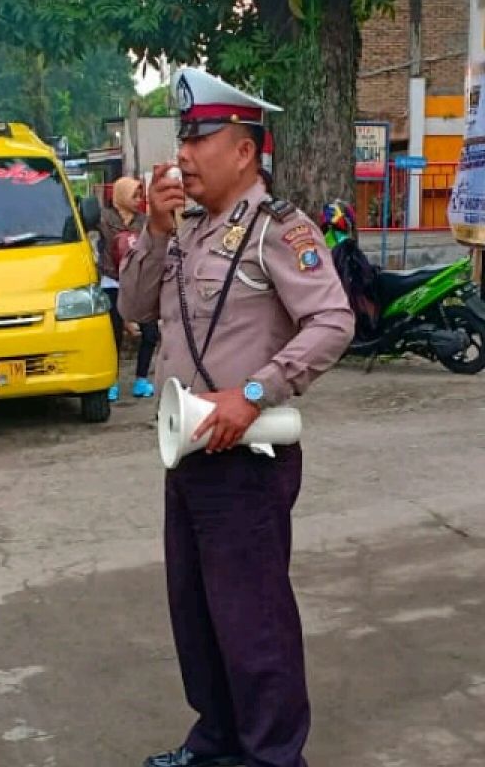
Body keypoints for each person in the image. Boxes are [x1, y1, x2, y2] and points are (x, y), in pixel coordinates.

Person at [118, 67, 354, 767]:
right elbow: (132, 310)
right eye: (182, 138)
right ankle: (217, 740)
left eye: (200, 138)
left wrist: (252, 394)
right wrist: (153, 231)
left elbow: (333, 319)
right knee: (195, 616)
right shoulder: (189, 231)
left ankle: (274, 756)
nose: (183, 154)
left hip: (246, 459)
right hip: (187, 449)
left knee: (254, 624)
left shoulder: (278, 229)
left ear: (244, 149)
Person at [99, 176, 160, 401]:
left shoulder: (144, 221)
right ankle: (111, 381)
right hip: (111, 282)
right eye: (134, 195)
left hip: (139, 282)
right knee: (112, 334)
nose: (138, 200)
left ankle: (141, 380)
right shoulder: (103, 219)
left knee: (150, 332)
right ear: (121, 195)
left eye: (140, 195)